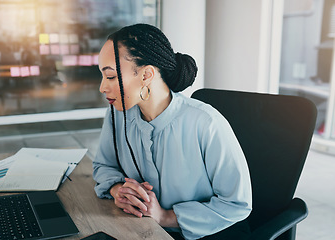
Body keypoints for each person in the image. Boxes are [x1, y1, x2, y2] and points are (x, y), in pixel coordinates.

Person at [92, 23, 252, 240]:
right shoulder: (119, 115)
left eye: (110, 77)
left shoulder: (206, 122)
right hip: (139, 230)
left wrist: (165, 216)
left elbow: (236, 204)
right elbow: (103, 165)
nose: (102, 87)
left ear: (147, 75)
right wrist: (119, 189)